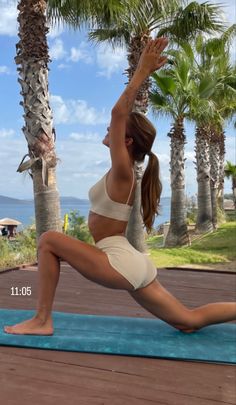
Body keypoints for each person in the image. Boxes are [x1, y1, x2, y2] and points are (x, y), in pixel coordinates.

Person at [4, 38, 236, 336]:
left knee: (48, 240)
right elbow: (118, 120)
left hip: (117, 260)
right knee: (187, 321)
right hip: (127, 259)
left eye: (115, 132)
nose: (108, 130)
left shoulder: (124, 171)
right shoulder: (121, 172)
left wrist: (141, 72)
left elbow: (118, 115)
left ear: (126, 142)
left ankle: (41, 320)